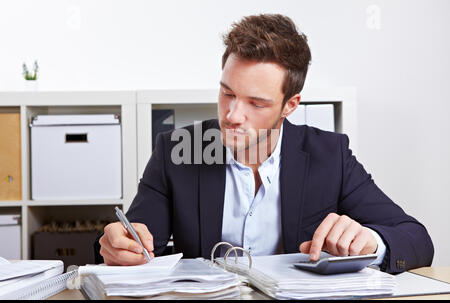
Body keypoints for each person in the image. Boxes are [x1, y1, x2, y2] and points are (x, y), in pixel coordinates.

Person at [95, 14, 433, 274]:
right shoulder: (177, 151)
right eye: (227, 93)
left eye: (256, 103)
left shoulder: (330, 156)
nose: (233, 114)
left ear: (290, 104)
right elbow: (131, 245)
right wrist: (119, 246)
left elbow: (416, 239)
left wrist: (372, 242)